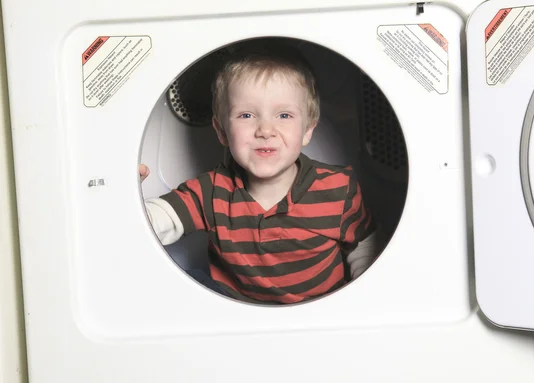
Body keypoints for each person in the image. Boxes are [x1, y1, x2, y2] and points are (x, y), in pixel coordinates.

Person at [140, 43, 380, 304]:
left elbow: (364, 247)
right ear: (221, 131)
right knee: (178, 286)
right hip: (236, 312)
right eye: (246, 115)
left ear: (308, 129)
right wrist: (124, 195)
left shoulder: (338, 189)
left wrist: (361, 299)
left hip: (317, 312)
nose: (265, 130)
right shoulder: (210, 191)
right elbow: (155, 222)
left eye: (284, 115)